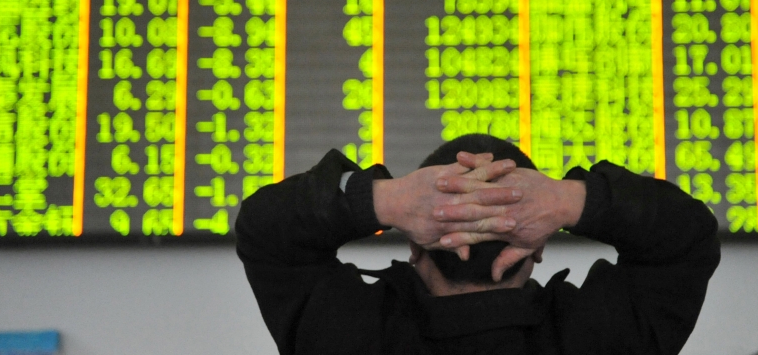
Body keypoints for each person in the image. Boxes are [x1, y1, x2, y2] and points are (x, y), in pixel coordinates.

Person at [235, 134, 721, 355]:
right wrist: (573, 199)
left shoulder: (344, 333)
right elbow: (686, 235)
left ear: (415, 244)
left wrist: (381, 199)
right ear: (536, 247)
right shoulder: (604, 336)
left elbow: (264, 228)